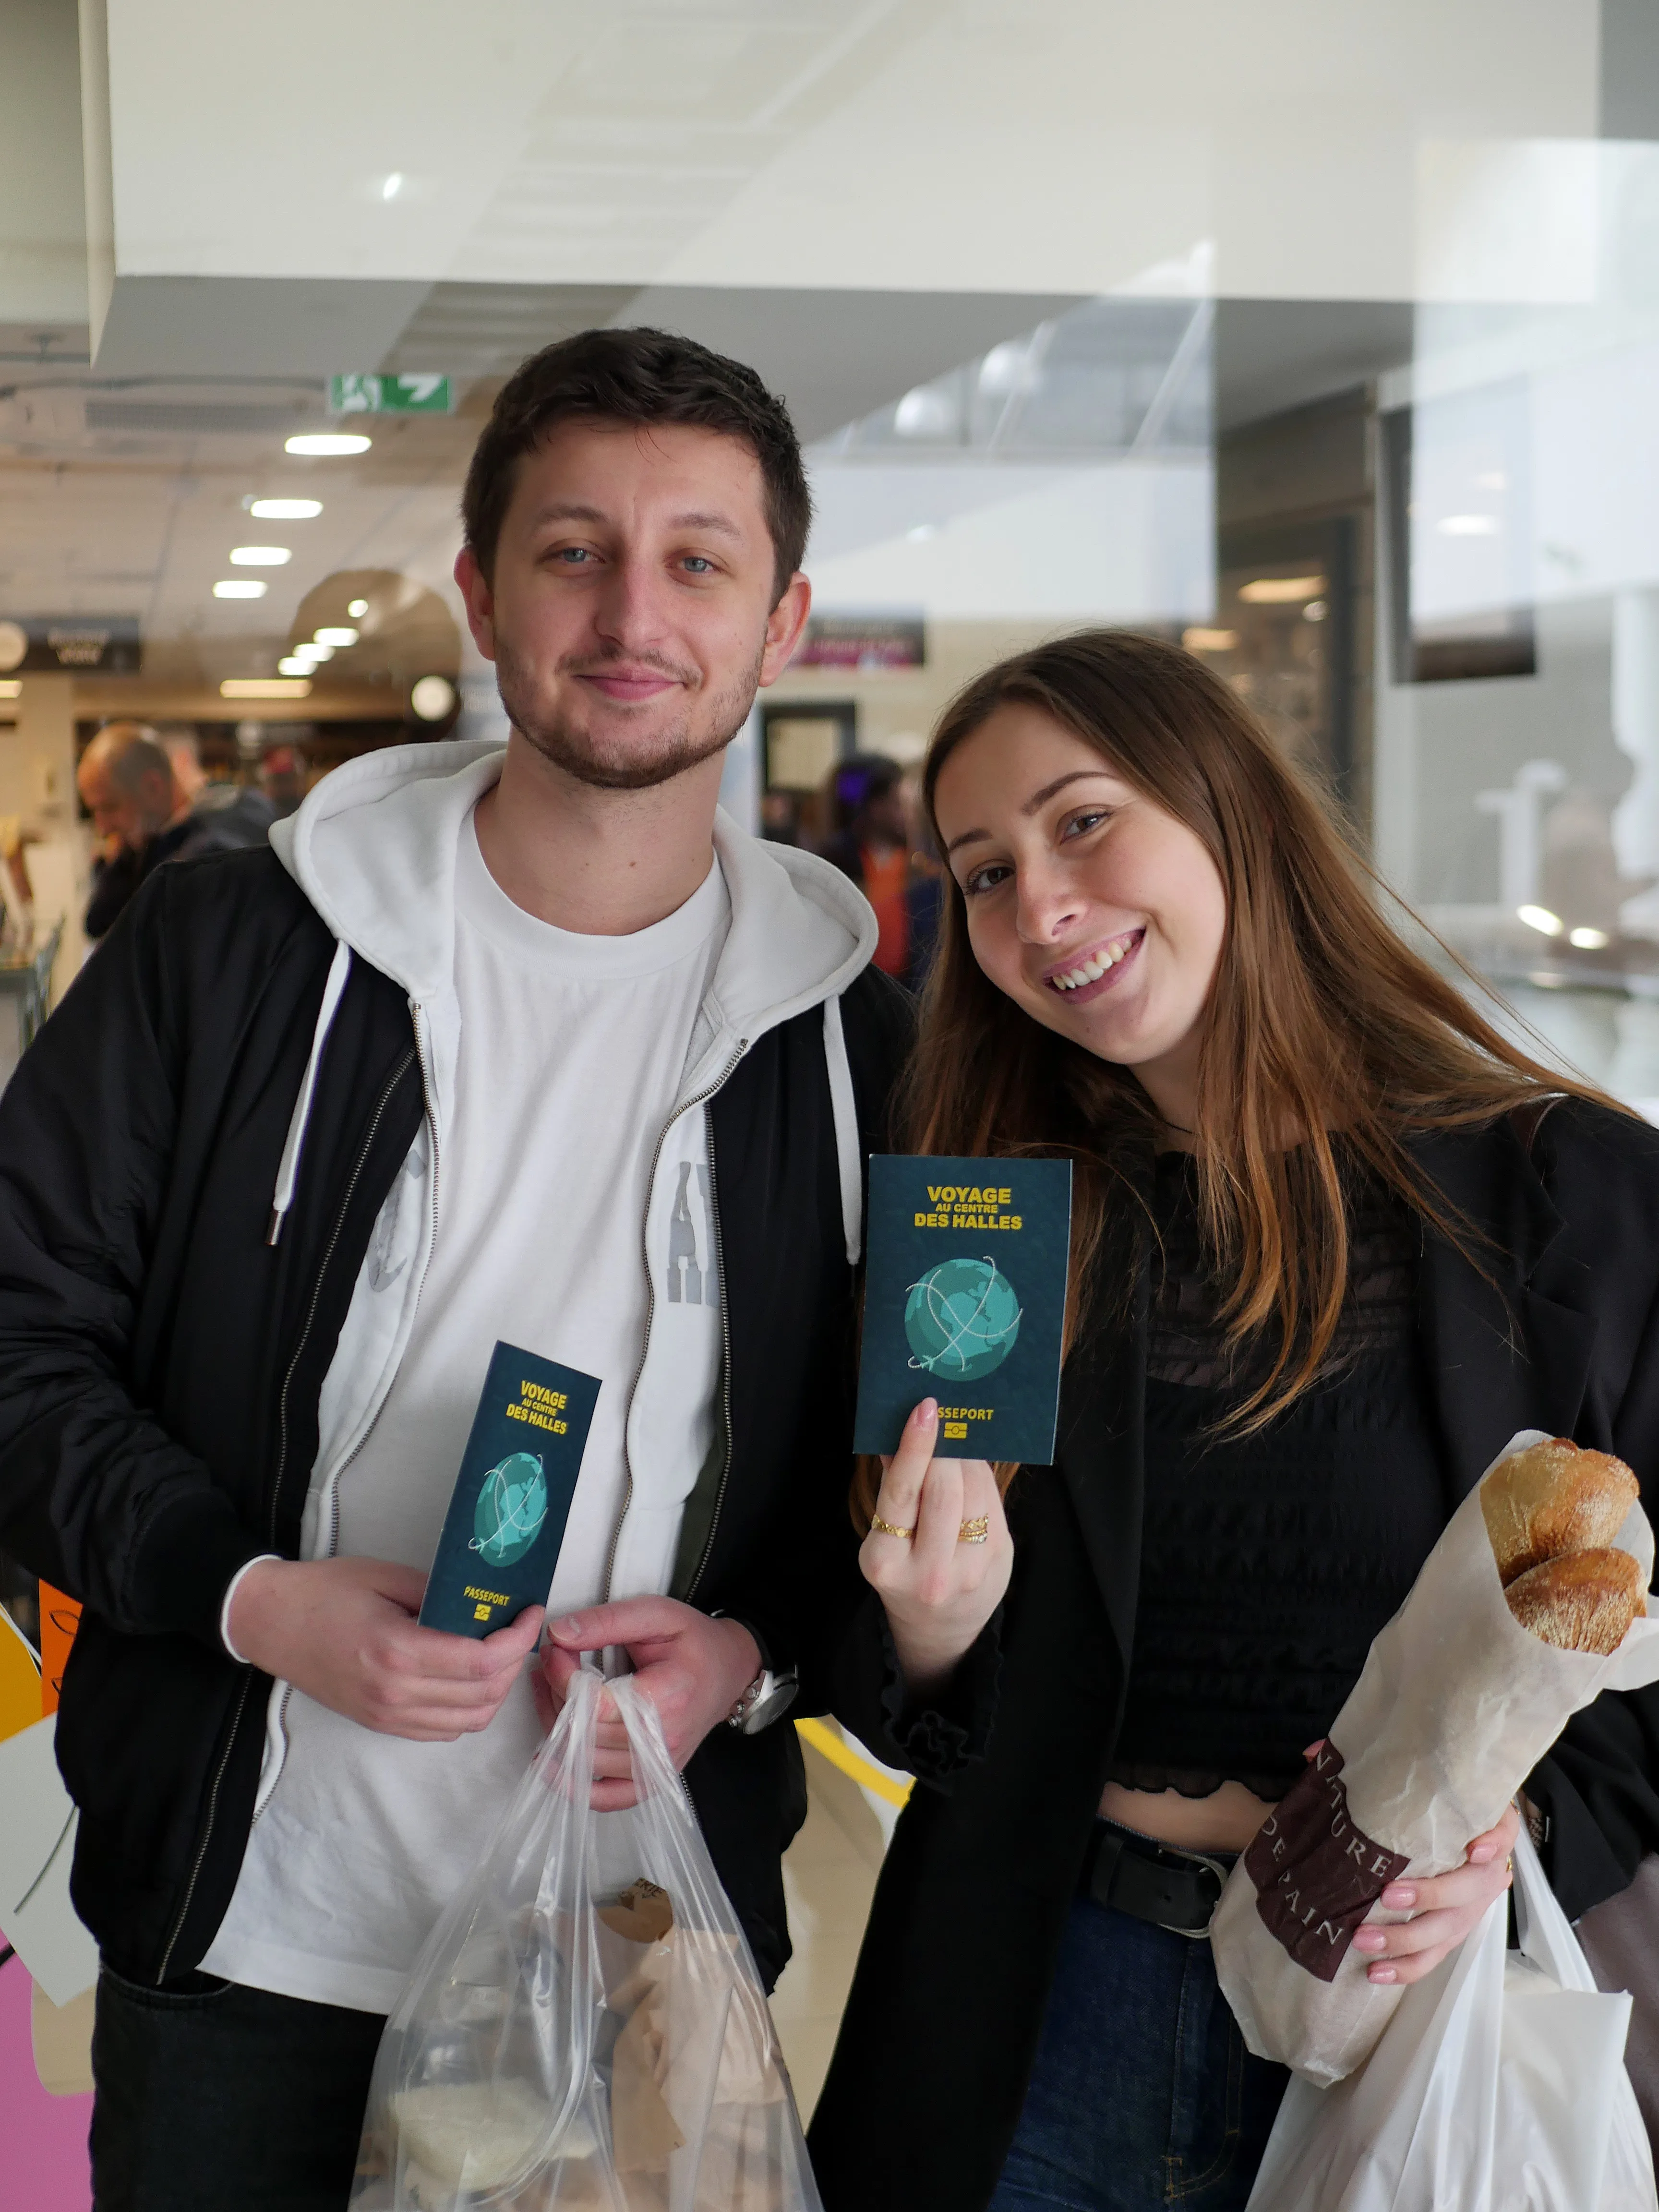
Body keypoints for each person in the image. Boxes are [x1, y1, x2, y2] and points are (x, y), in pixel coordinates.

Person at [0, 326, 909, 2211]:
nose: (632, 611)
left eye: (697, 560)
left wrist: (749, 1658)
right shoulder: (240, 950)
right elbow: (19, 1341)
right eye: (574, 550)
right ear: (484, 594)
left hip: (642, 1953)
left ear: (784, 615)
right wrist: (250, 1598)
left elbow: (916, 1491)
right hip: (254, 1937)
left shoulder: (863, 1051)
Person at [807, 629, 1659, 2212]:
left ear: (1230, 811)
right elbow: (896, 1684)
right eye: (981, 871)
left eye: (1078, 821)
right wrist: (927, 1628)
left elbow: (1628, 1640)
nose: (1036, 908)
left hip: (1407, 2015)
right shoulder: (989, 1234)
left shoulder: (1562, 1195)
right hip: (1043, 1995)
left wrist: (1520, 1822)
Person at [77, 722, 275, 939]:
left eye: (110, 807)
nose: (103, 828)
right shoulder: (159, 840)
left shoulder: (205, 850)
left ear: (153, 786)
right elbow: (98, 923)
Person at [819, 753, 914, 980]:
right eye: (899, 805)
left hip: (909, 986)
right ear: (876, 808)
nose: (908, 815)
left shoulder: (919, 862)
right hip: (854, 983)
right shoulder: (839, 859)